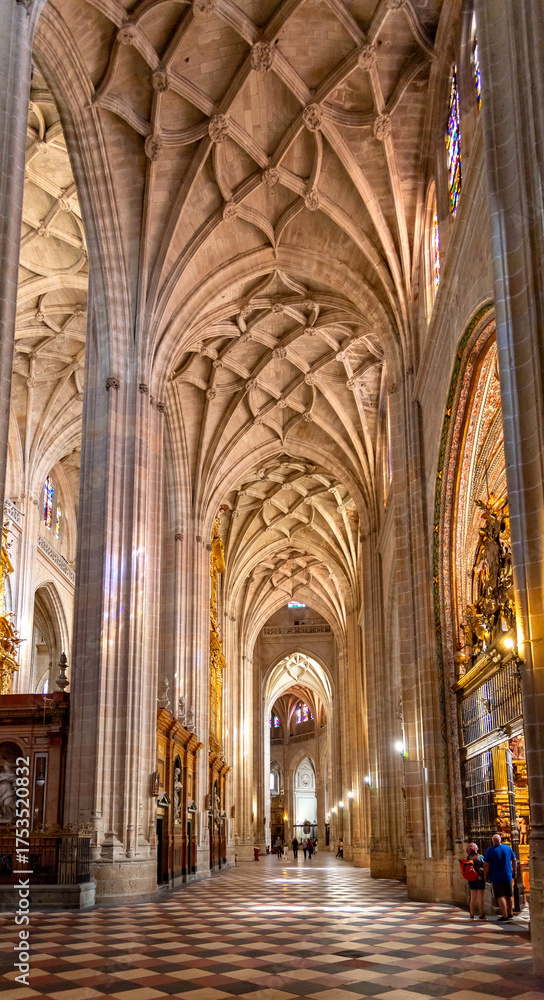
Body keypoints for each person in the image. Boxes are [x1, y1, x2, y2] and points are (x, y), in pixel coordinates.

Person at [483, 833, 516, 921]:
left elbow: (486, 864)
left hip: (496, 876)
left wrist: (485, 875)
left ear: (492, 841)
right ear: (500, 840)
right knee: (509, 895)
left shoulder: (490, 850)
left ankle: (504, 915)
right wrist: (514, 870)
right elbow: (514, 859)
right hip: (507, 874)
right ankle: (510, 913)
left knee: (500, 896)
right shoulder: (508, 848)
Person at [465, 842, 486, 920]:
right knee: (481, 897)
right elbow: (484, 866)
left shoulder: (468, 858)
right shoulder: (480, 857)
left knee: (473, 896)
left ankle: (472, 914)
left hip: (471, 879)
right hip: (480, 879)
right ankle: (481, 914)